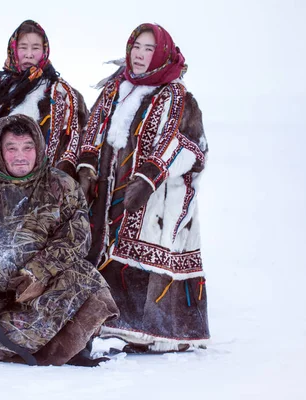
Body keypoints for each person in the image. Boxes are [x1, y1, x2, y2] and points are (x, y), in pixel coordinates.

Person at [0, 114, 119, 366]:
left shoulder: (61, 185)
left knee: (89, 281)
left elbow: (75, 237)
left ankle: (74, 347)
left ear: (38, 149)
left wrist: (38, 272)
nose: (20, 155)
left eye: (27, 147)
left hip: (41, 292)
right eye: (12, 148)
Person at [77, 23, 209, 353]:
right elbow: (93, 129)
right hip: (108, 193)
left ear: (162, 53)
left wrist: (150, 177)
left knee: (143, 252)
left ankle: (152, 332)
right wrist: (86, 167)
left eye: (149, 49)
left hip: (158, 201)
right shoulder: (114, 90)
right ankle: (111, 323)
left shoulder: (177, 96)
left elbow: (187, 146)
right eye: (137, 46)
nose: (140, 54)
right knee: (106, 251)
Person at [0, 19, 88, 181]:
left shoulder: (64, 94)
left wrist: (61, 181)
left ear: (44, 51)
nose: (29, 54)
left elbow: (74, 137)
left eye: (35, 48)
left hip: (46, 196)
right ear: (14, 49)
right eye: (23, 47)